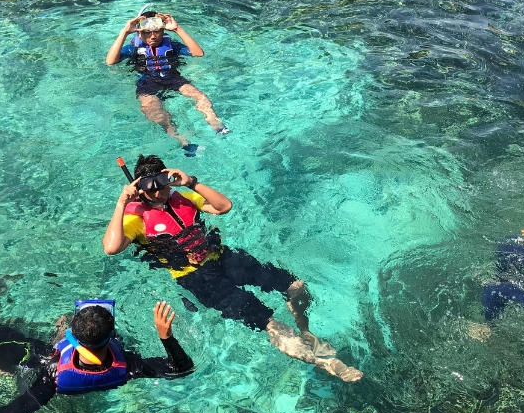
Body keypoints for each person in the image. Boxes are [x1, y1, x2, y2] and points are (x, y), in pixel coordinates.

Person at [102, 154, 363, 382]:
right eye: (150, 188)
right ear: (139, 188)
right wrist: (121, 202)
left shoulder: (184, 197)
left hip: (224, 258)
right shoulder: (136, 218)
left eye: (162, 183)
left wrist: (191, 182)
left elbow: (224, 207)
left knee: (295, 286)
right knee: (269, 323)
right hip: (196, 278)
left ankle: (305, 331)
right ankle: (325, 363)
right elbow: (111, 248)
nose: (158, 192)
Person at [0, 300, 194, 413]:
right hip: (105, 368)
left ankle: (52, 335)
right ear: (113, 336)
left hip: (58, 370)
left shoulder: (52, 373)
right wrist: (166, 336)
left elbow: (15, 410)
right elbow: (181, 368)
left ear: (72, 336)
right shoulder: (129, 365)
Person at [105, 10, 229, 156]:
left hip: (173, 79)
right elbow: (110, 61)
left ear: (163, 30)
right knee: (155, 113)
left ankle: (217, 125)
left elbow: (198, 53)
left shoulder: (172, 46)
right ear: (140, 33)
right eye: (147, 32)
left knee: (199, 96)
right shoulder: (133, 49)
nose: (153, 36)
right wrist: (125, 32)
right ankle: (184, 142)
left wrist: (177, 29)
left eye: (157, 31)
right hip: (147, 84)